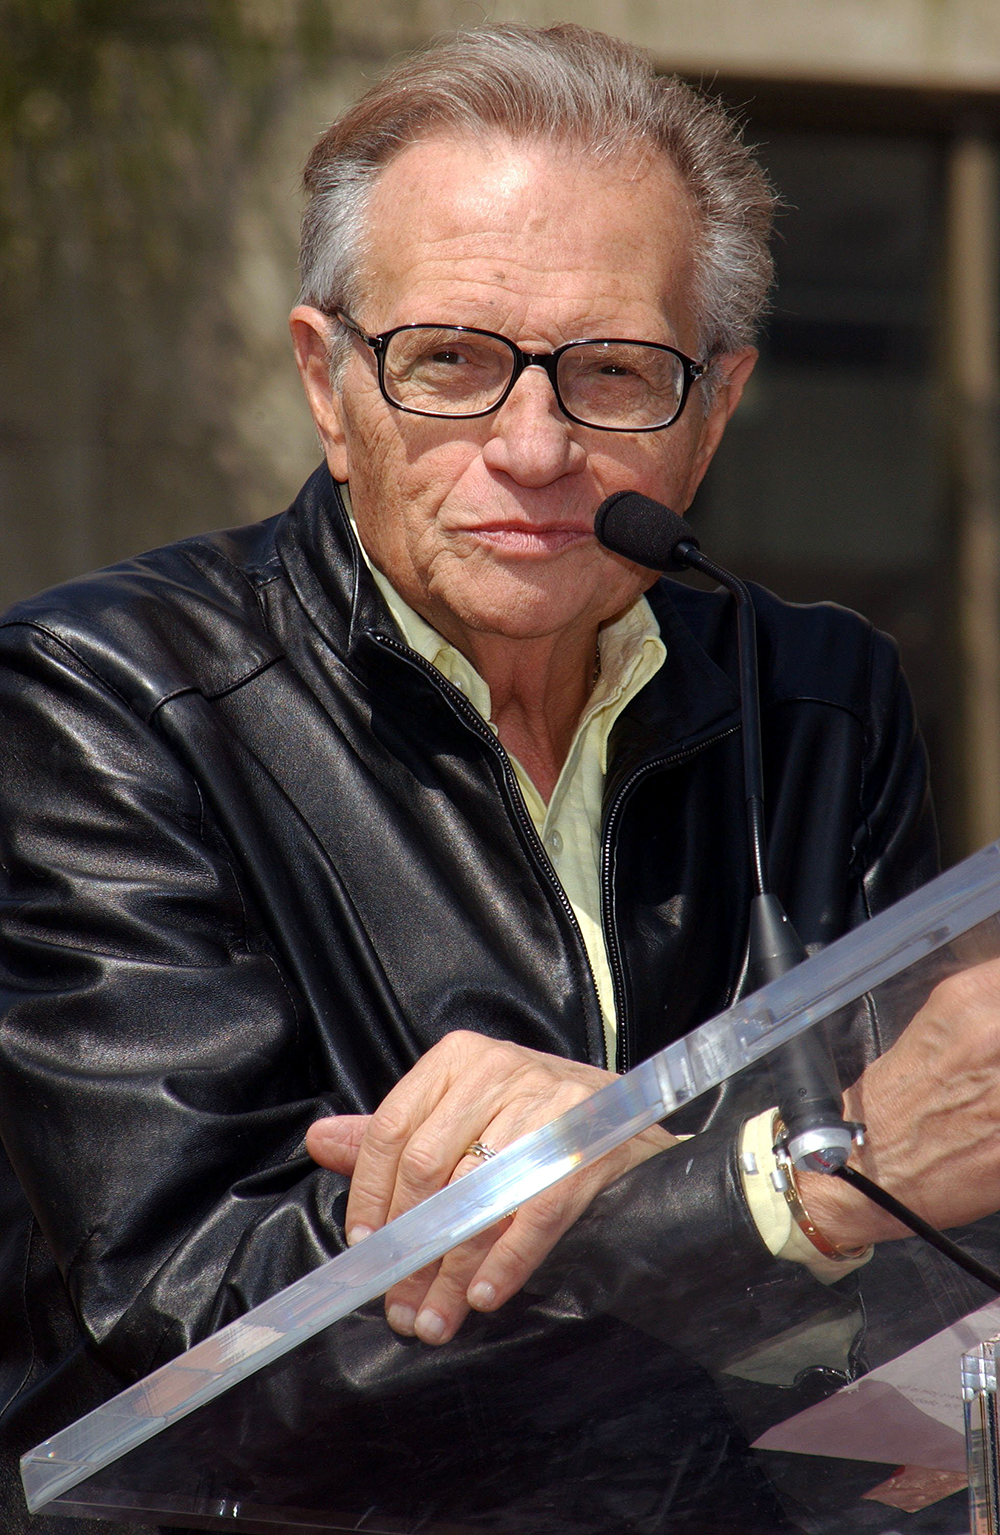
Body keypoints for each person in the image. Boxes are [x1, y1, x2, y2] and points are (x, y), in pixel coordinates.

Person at [4, 22, 1000, 1535]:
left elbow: (921, 1293)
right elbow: (198, 1324)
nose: (531, 446)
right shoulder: (99, 704)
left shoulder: (825, 701)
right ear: (327, 384)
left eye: (610, 372)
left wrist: (621, 1171)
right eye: (451, 362)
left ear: (713, 410)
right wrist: (773, 1191)